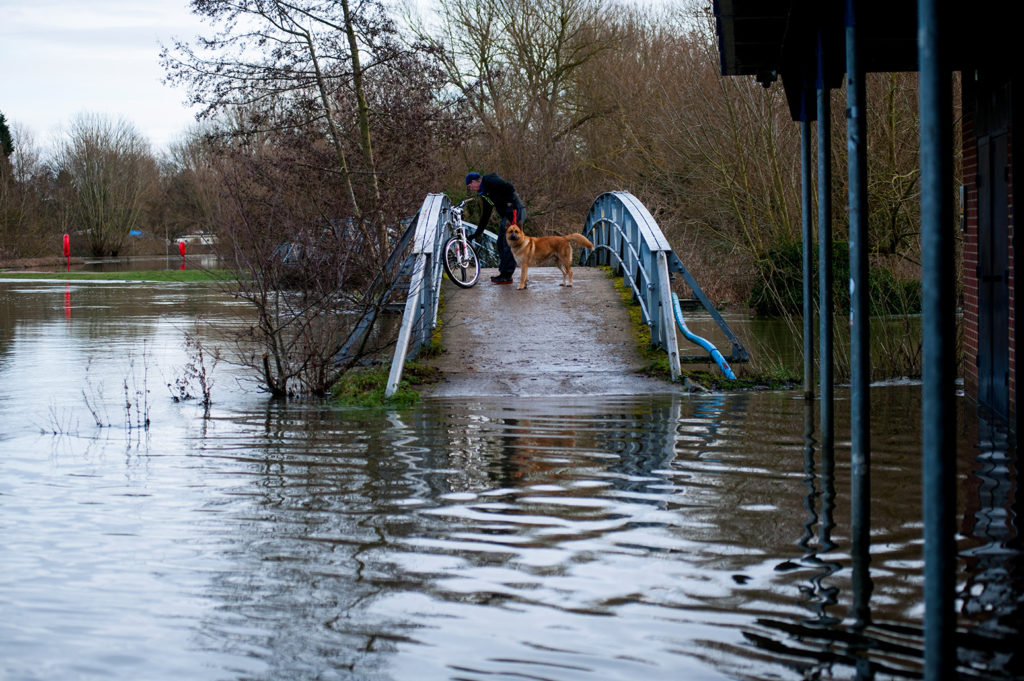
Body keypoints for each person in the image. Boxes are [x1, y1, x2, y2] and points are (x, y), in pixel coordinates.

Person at [465, 171, 526, 284]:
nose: (470, 188)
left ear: (474, 181)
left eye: (470, 185)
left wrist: (509, 206)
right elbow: (486, 215)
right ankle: (504, 274)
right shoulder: (485, 194)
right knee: (500, 243)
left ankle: (507, 275)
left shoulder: (489, 180)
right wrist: (476, 234)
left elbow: (509, 187)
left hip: (514, 210)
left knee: (508, 243)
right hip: (507, 215)